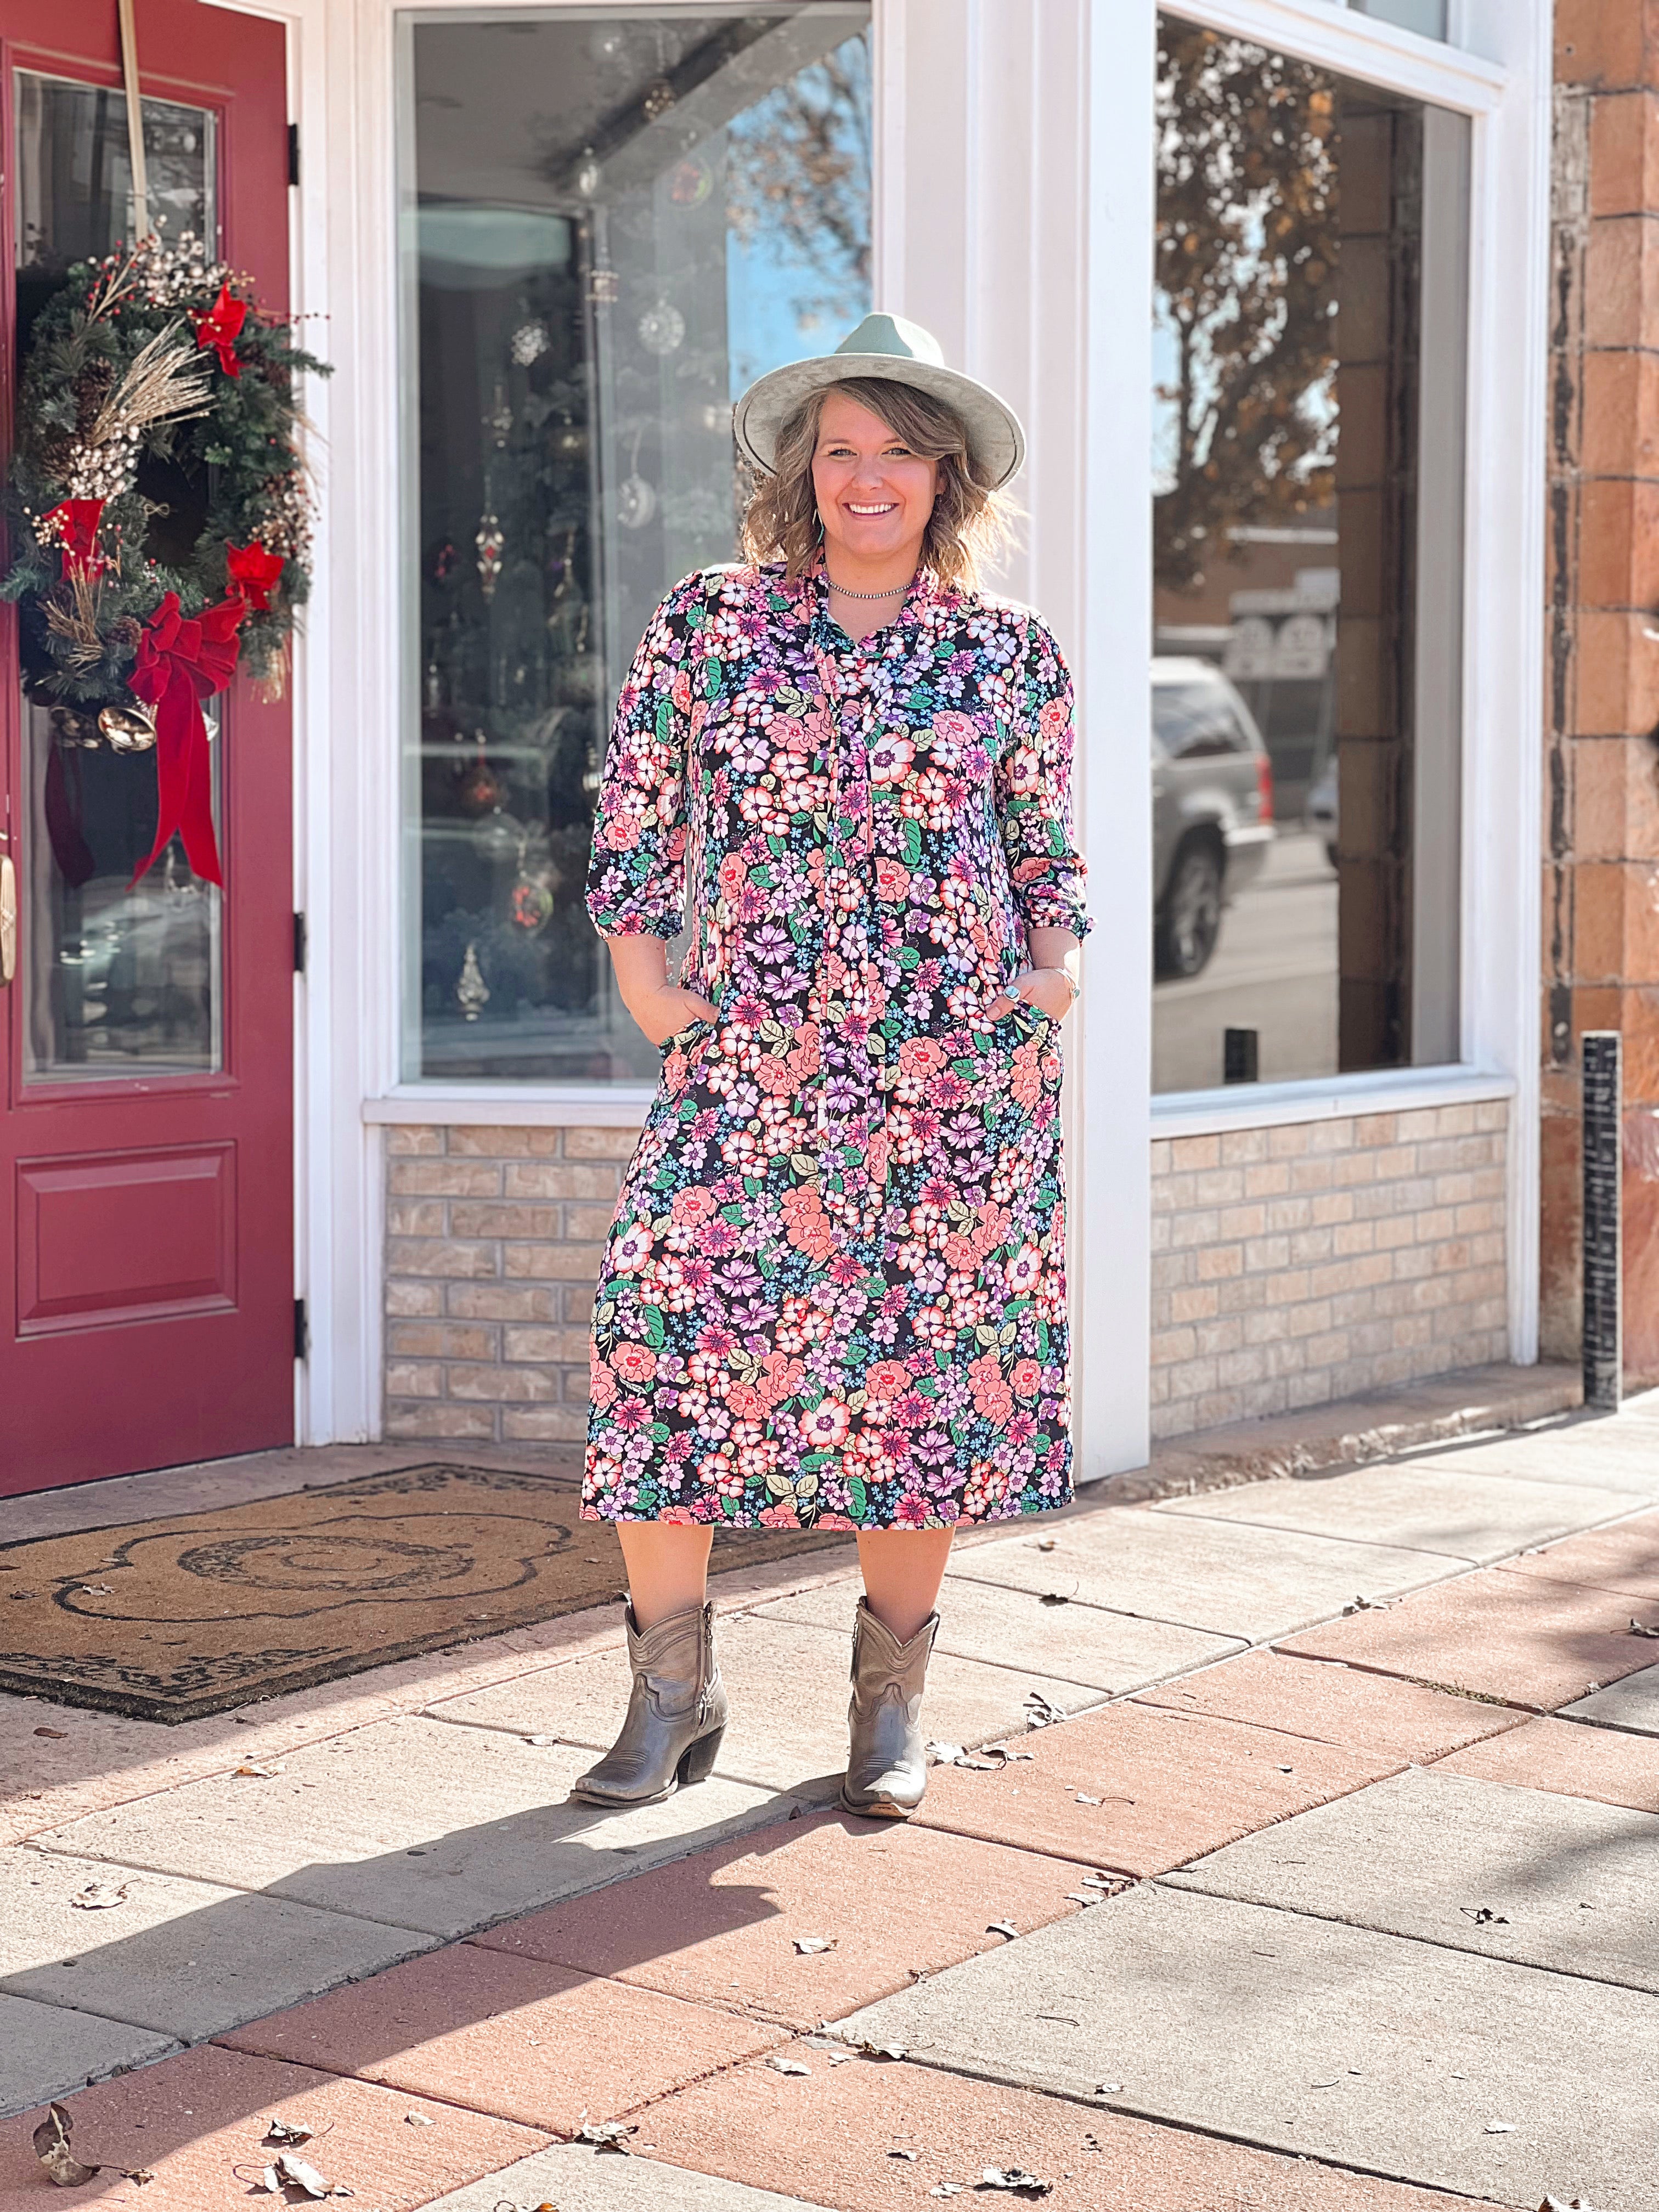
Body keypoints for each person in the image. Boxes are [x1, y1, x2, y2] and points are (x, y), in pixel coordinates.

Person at [574, 312, 1090, 1819]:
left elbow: (1046, 844)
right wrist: (644, 981)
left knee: (917, 1384)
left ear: (946, 480)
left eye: (899, 454)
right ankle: (671, 1693)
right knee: (663, 1346)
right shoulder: (712, 622)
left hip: (952, 1080)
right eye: (841, 451)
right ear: (805, 472)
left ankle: (890, 1706)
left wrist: (1052, 978)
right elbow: (638, 803)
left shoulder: (1007, 652)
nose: (869, 479)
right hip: (751, 1065)